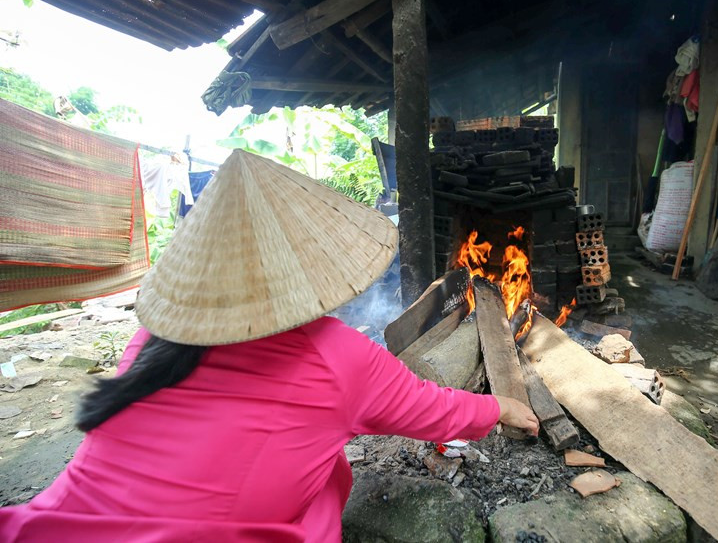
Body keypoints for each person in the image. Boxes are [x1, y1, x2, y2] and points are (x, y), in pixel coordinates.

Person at [0, 150, 539, 542]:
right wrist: (502, 405)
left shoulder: (153, 339)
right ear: (310, 266)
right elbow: (434, 409)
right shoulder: (337, 357)